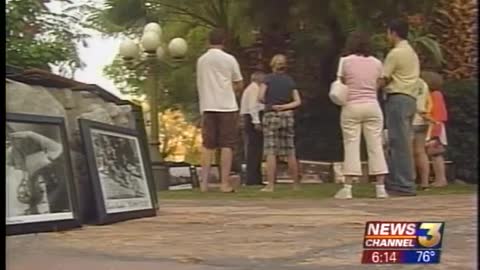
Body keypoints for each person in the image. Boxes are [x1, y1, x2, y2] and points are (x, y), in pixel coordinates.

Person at [333, 31, 389, 199]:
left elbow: (341, 82)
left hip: (351, 106)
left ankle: (348, 188)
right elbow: (379, 83)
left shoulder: (345, 61)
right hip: (372, 105)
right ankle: (380, 187)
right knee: (376, 146)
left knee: (351, 145)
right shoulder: (377, 63)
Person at [196, 28, 244, 192]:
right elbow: (238, 83)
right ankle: (224, 183)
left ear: (208, 41)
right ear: (224, 41)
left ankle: (204, 184)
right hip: (227, 106)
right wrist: (231, 89)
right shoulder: (230, 59)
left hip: (208, 105)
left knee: (208, 145)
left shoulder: (201, 61)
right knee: (227, 145)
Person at [378, 19, 421, 196]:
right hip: (410, 98)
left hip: (398, 98)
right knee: (401, 141)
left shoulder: (396, 53)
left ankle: (404, 184)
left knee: (399, 142)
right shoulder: (411, 52)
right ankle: (398, 181)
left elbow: (384, 77)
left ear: (393, 33)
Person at [258, 54, 301, 192]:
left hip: (272, 115)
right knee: (290, 151)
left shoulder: (268, 79)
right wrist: (285, 106)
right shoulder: (289, 81)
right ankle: (295, 184)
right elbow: (298, 101)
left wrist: (271, 104)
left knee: (271, 151)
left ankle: (270, 185)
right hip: (287, 115)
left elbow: (260, 97)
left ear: (272, 64)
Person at [422, 71, 449, 187]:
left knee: (436, 153)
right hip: (432, 126)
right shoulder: (431, 95)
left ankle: (441, 179)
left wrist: (435, 134)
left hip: (435, 126)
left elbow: (439, 115)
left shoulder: (435, 95)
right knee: (433, 154)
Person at [240, 71, 266, 185]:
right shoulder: (254, 89)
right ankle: (252, 179)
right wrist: (256, 121)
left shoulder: (251, 89)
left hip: (250, 118)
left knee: (255, 150)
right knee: (253, 150)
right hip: (251, 119)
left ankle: (256, 178)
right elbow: (253, 107)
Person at [412, 78, 432, 190]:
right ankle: (425, 182)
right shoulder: (423, 83)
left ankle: (411, 180)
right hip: (423, 118)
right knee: (420, 152)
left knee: (408, 152)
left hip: (411, 119)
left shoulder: (405, 81)